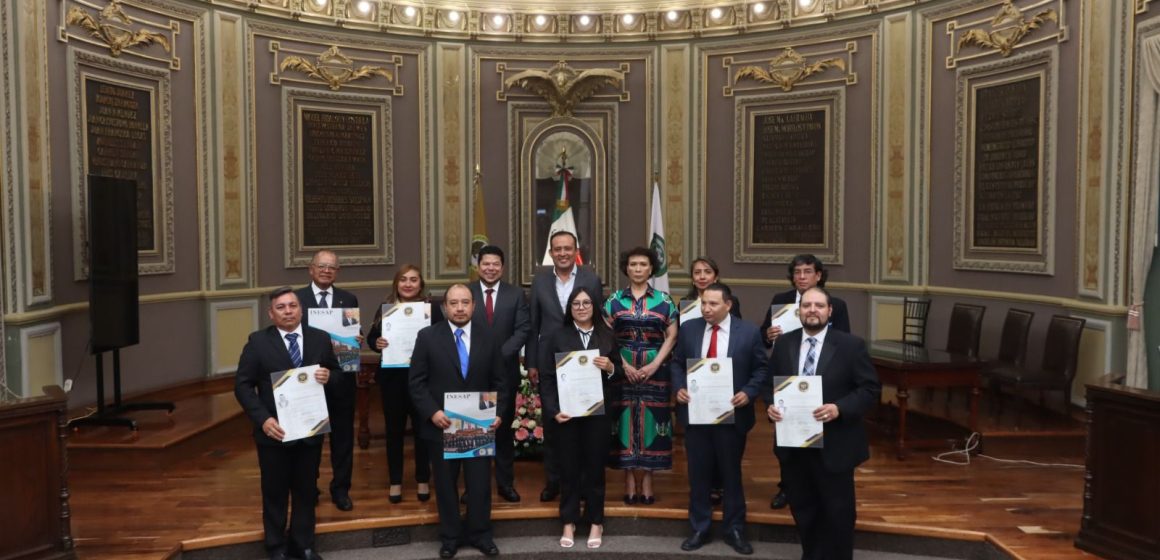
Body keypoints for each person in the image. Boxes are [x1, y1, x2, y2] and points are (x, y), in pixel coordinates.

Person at [766, 287, 880, 560]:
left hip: (835, 444)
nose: (812, 310)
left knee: (838, 512)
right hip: (794, 445)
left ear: (830, 311)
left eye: (819, 305)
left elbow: (869, 389)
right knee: (804, 509)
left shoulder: (851, 345)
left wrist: (839, 408)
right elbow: (770, 385)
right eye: (807, 305)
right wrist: (770, 405)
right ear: (799, 310)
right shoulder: (784, 344)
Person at [235, 286, 339, 560]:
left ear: (301, 310)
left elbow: (338, 374)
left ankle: (303, 545)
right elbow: (242, 387)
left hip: (310, 430)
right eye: (281, 307)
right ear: (271, 314)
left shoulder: (320, 339)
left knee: (306, 490)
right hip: (274, 432)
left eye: (292, 305)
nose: (288, 311)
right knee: (275, 492)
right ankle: (276, 547)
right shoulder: (257, 342)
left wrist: (330, 376)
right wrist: (263, 419)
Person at [409, 284, 508, 559]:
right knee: (444, 484)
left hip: (479, 425)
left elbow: (501, 381)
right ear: (445, 307)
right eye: (454, 303)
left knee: (479, 484)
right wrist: (432, 412)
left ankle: (480, 534)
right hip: (441, 425)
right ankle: (450, 537)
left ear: (474, 306)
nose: (460, 308)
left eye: (465, 302)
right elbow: (416, 383)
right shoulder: (427, 337)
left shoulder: (490, 337)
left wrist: (498, 412)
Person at [671, 283, 768, 555]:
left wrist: (748, 393)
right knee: (698, 474)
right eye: (703, 303)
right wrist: (679, 387)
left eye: (713, 304)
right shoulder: (689, 329)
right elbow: (677, 362)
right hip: (697, 414)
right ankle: (699, 527)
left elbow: (761, 369)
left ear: (728, 305)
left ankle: (735, 528)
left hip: (732, 415)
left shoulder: (748, 332)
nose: (706, 309)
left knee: (731, 474)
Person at [759, 253, 850, 510]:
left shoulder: (836, 304)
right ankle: (787, 487)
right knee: (786, 440)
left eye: (807, 272)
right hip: (789, 381)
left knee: (822, 440)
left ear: (818, 275)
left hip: (822, 381)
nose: (802, 277)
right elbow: (763, 338)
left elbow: (844, 341)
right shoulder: (781, 301)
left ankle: (819, 487)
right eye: (797, 273)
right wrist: (768, 334)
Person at [539, 286, 623, 550]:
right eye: (576, 303)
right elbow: (547, 378)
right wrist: (553, 411)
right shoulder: (556, 336)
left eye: (587, 303)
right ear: (570, 308)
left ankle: (596, 521)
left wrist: (610, 368)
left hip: (598, 414)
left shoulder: (607, 335)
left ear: (595, 306)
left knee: (596, 469)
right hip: (567, 414)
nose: (582, 307)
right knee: (569, 469)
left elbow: (618, 373)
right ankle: (569, 520)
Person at [526, 230, 603, 502]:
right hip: (549, 359)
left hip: (583, 360)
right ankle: (554, 481)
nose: (562, 253)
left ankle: (581, 483)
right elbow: (533, 324)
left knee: (582, 424)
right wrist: (532, 362)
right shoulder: (540, 280)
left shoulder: (590, 278)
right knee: (553, 421)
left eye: (567, 248)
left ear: (575, 250)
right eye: (557, 248)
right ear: (551, 251)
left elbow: (598, 319)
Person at [603, 246, 679, 504]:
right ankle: (627, 477)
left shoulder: (664, 300)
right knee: (623, 420)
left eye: (643, 264)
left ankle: (647, 477)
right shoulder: (613, 300)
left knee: (652, 421)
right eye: (633, 264)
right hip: (621, 368)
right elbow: (605, 337)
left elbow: (672, 335)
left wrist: (654, 365)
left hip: (655, 370)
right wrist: (624, 366)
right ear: (626, 268)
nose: (637, 269)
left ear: (651, 269)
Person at [366, 264, 442, 503]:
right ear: (396, 283)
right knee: (394, 432)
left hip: (423, 381)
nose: (408, 284)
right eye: (403, 280)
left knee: (423, 432)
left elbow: (442, 338)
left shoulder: (432, 309)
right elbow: (371, 338)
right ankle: (395, 482)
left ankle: (422, 479)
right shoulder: (385, 308)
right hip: (393, 380)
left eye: (413, 280)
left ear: (421, 284)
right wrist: (376, 342)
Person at [294, 250, 361, 512]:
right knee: (308, 441)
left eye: (331, 267)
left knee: (343, 440)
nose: (326, 270)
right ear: (311, 269)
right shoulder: (297, 299)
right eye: (321, 266)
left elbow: (353, 333)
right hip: (307, 383)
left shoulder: (348, 298)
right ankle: (308, 488)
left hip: (341, 379)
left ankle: (341, 489)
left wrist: (358, 338)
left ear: (338, 271)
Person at [469, 245, 530, 502]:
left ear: (502, 268)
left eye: (496, 264)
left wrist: (499, 354)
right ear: (478, 266)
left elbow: (523, 329)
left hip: (505, 373)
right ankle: (473, 486)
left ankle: (505, 484)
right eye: (486, 264)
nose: (490, 268)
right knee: (473, 430)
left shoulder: (515, 294)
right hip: (471, 372)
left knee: (502, 432)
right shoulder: (465, 293)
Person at [684, 256, 741, 505]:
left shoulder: (742, 327)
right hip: (696, 395)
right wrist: (680, 386)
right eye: (697, 272)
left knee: (728, 461)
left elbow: (743, 351)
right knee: (699, 462)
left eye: (707, 271)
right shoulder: (687, 311)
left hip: (727, 396)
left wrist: (746, 391)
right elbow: (681, 354)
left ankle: (726, 500)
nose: (702, 276)